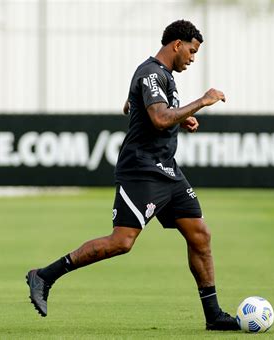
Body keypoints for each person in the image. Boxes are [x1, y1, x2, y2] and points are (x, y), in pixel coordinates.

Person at [26, 19, 240, 331]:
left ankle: (213, 316)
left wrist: (179, 119)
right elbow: (158, 116)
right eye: (192, 51)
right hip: (142, 170)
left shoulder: (161, 76)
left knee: (200, 234)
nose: (193, 58)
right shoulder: (152, 72)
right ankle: (44, 276)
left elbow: (133, 106)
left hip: (167, 170)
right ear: (176, 45)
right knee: (121, 242)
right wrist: (200, 104)